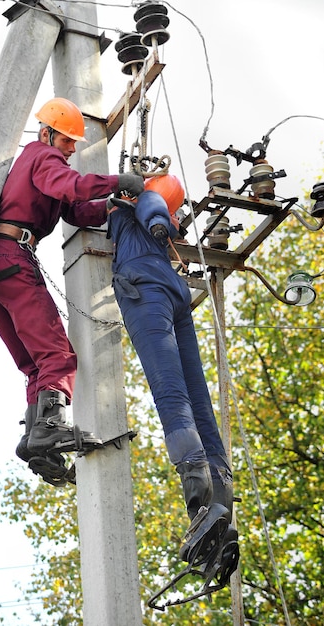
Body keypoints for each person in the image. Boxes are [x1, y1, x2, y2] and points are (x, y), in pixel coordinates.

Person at [0, 97, 144, 485]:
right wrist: (119, 181)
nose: (72, 148)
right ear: (46, 133)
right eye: (67, 140)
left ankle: (37, 441)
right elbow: (69, 186)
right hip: (14, 258)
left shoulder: (38, 165)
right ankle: (50, 428)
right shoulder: (43, 158)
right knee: (57, 353)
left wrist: (110, 206)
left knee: (36, 364)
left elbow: (73, 209)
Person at [106, 174, 239, 581]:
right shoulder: (162, 231)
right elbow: (160, 215)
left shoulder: (138, 207)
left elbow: (148, 206)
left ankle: (199, 503)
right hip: (175, 293)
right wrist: (162, 222)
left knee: (172, 397)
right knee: (199, 404)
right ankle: (222, 512)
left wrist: (141, 201)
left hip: (146, 289)